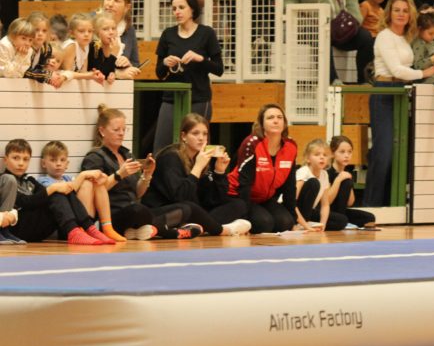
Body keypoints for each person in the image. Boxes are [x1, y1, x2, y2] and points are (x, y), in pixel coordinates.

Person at [364, 0, 434, 205]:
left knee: (400, 154)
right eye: (396, 10)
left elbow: (412, 66)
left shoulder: (407, 39)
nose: (401, 14)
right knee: (383, 153)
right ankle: (372, 206)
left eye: (405, 10)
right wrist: (425, 73)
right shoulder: (384, 36)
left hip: (402, 92)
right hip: (384, 92)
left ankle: (394, 205)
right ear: (389, 13)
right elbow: (397, 69)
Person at [81, 105, 200, 240]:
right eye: (116, 130)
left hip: (134, 210)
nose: (121, 133)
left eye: (123, 130)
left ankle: (136, 232)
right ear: (102, 131)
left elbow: (137, 192)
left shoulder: (127, 154)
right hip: (112, 215)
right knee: (138, 210)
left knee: (185, 208)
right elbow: (93, 191)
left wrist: (147, 175)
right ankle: (171, 232)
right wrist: (119, 175)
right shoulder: (94, 157)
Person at [144, 114, 252, 235]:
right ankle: (223, 230)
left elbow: (212, 200)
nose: (201, 138)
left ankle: (201, 227)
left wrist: (219, 172)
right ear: (183, 136)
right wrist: (197, 168)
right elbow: (179, 196)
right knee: (189, 207)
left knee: (238, 204)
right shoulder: (170, 157)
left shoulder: (201, 157)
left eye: (205, 134)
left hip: (194, 211)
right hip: (167, 210)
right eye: (195, 133)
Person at [1, 139, 111, 245]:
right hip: (15, 228)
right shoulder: (5, 181)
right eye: (16, 158)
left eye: (25, 159)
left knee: (59, 191)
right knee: (54, 190)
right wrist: (53, 188)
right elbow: (25, 202)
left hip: (37, 230)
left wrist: (56, 188)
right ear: (5, 160)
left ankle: (88, 228)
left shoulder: (30, 180)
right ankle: (75, 232)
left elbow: (47, 195)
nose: (21, 163)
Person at [153, 0, 223, 151]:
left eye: (181, 7)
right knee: (162, 147)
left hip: (198, 97)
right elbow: (159, 73)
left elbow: (219, 69)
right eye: (174, 8)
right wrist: (165, 63)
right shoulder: (168, 34)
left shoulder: (206, 33)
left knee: (196, 146)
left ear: (192, 10)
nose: (177, 11)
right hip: (172, 98)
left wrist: (200, 59)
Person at [227, 104, 300, 233]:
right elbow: (244, 185)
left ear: (285, 123)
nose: (276, 120)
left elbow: (290, 186)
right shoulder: (252, 144)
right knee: (264, 224)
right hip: (239, 196)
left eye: (280, 117)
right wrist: (244, 221)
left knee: (285, 222)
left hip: (265, 198)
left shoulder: (291, 146)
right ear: (262, 123)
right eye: (270, 117)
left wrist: (294, 220)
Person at [326, 135, 378, 229]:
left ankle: (343, 222)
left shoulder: (346, 174)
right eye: (342, 152)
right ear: (333, 153)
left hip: (341, 212)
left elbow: (350, 203)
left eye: (349, 152)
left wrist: (348, 181)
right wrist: (338, 180)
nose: (346, 155)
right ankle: (342, 222)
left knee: (370, 217)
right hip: (327, 212)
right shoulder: (327, 173)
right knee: (342, 220)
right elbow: (327, 201)